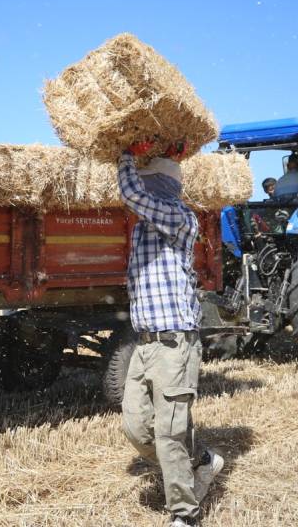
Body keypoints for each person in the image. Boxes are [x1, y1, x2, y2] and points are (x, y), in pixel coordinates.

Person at [118, 139, 225, 527]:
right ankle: (200, 462)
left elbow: (129, 192)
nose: (141, 192)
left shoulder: (179, 217)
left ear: (160, 189)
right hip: (144, 345)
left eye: (149, 185)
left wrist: (126, 152)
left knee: (168, 433)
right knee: (136, 428)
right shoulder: (143, 231)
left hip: (174, 344)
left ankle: (184, 513)